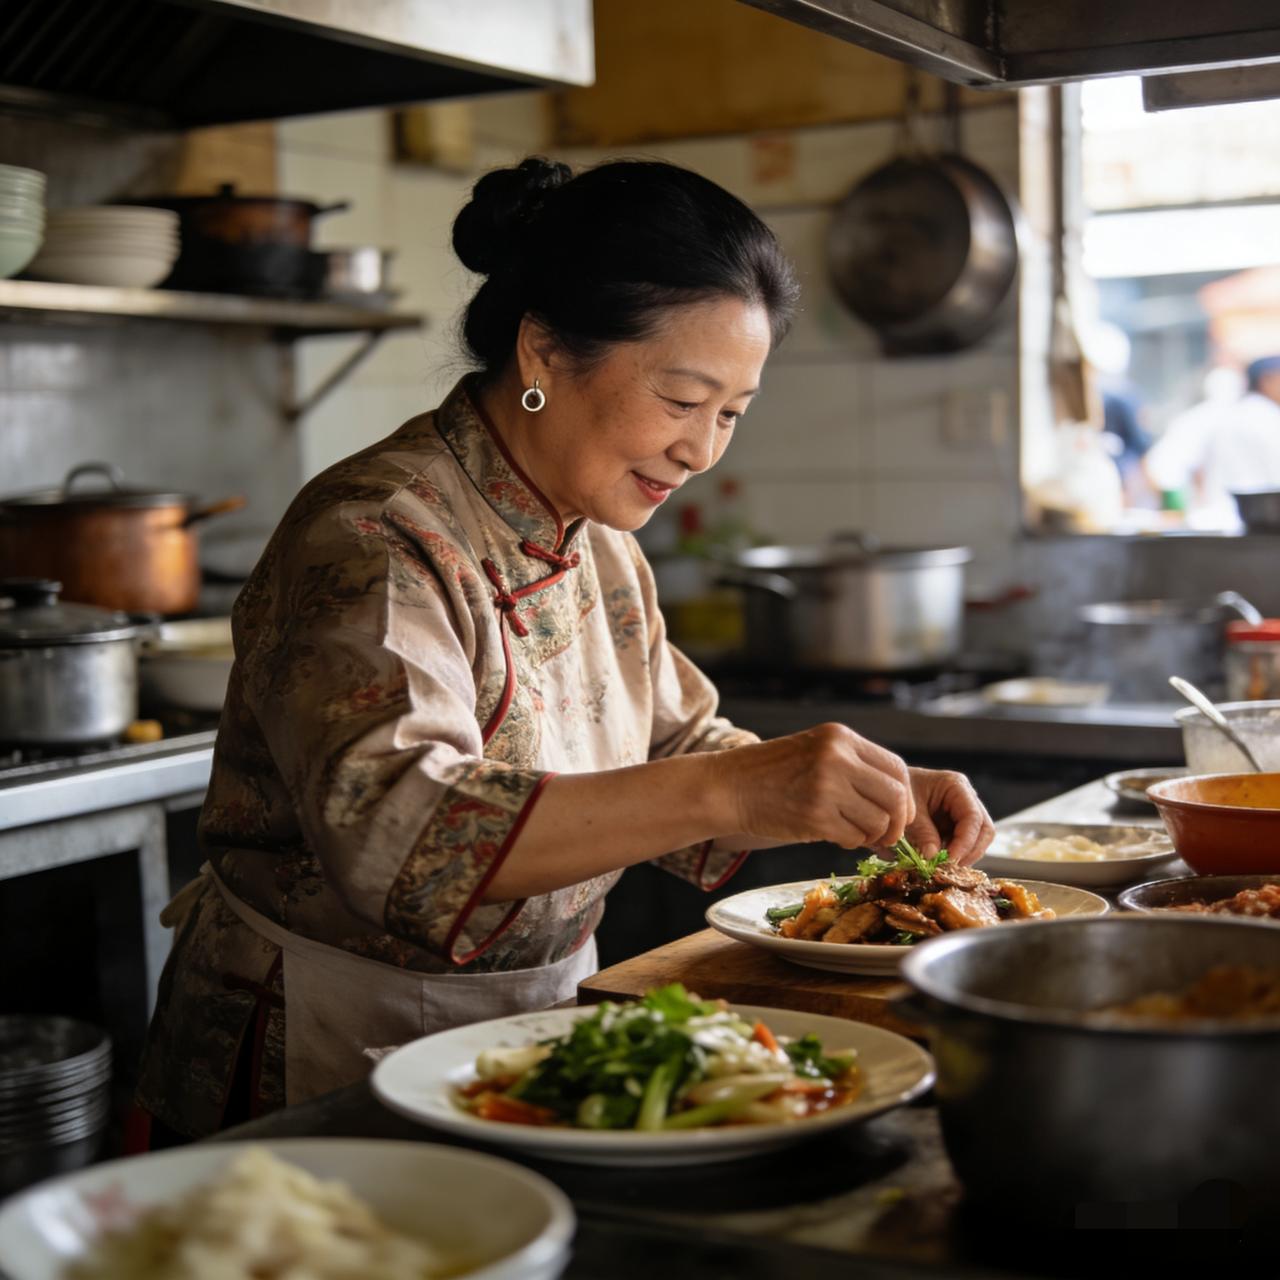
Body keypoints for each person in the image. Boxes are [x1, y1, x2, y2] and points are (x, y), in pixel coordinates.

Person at [131, 157, 994, 1144]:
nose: (702, 449)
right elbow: (401, 836)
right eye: (680, 398)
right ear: (542, 352)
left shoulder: (600, 545)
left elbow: (677, 748)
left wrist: (846, 792)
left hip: (525, 1026)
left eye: (729, 413)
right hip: (322, 1037)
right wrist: (739, 788)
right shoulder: (374, 533)